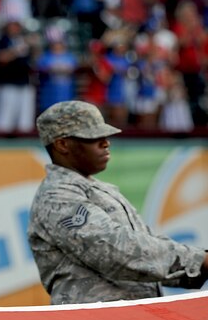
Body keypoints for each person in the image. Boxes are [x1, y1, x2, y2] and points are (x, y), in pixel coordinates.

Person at [27, 101, 208, 305]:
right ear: (62, 144)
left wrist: (199, 264)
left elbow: (145, 255)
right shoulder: (57, 196)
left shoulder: (99, 190)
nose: (105, 142)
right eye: (93, 137)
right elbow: (115, 250)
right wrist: (198, 261)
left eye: (104, 135)